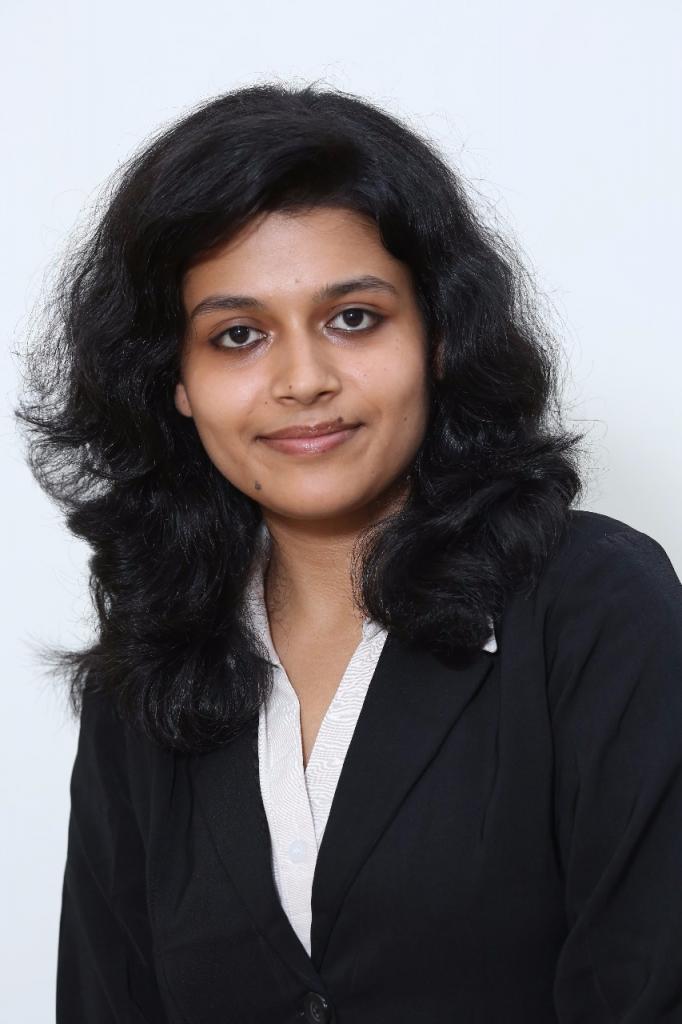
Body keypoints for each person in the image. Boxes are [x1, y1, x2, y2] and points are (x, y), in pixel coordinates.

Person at [16, 82, 682, 1023]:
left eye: (354, 318)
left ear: (439, 336)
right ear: (176, 381)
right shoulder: (150, 661)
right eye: (238, 335)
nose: (303, 380)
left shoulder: (598, 608)